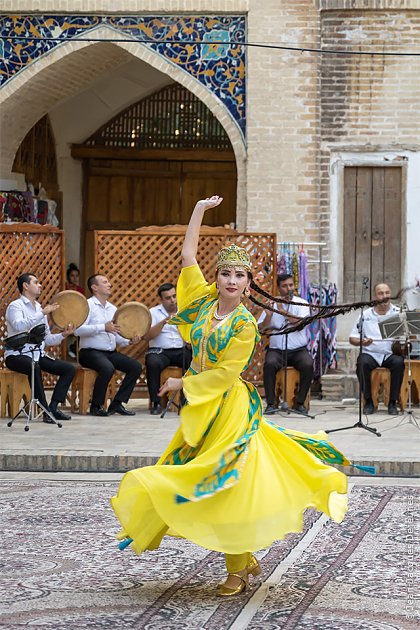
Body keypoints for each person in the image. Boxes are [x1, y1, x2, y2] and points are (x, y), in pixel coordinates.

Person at [111, 196, 350, 597]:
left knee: (230, 485)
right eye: (226, 274)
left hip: (228, 407)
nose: (232, 281)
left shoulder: (244, 325)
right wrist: (200, 211)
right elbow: (187, 254)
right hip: (201, 409)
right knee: (195, 478)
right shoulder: (203, 303)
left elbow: (226, 374)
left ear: (248, 283)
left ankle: (238, 568)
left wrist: (182, 383)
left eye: (240, 274)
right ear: (217, 278)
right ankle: (244, 559)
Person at [5, 273, 76, 422]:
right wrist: (42, 313)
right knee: (34, 366)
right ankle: (45, 411)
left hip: (37, 354)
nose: (40, 285)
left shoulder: (39, 308)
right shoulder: (15, 306)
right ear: (25, 286)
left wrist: (64, 334)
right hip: (16, 355)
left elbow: (47, 339)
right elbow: (19, 326)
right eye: (36, 282)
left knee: (69, 369)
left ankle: (53, 407)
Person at [75, 274, 142, 417]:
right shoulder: (87, 306)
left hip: (110, 352)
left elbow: (116, 335)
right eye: (105, 282)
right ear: (94, 287)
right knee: (107, 368)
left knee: (135, 367)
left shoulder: (113, 309)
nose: (109, 284)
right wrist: (102, 327)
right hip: (89, 352)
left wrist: (129, 341)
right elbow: (77, 330)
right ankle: (96, 406)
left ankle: (117, 403)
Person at [258, 274, 314, 415]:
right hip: (277, 350)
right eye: (284, 286)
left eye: (290, 285)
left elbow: (301, 323)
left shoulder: (301, 303)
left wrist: (283, 311)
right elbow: (261, 329)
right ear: (278, 288)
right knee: (269, 364)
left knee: (308, 364)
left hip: (298, 350)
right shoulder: (272, 303)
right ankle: (271, 404)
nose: (288, 289)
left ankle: (299, 403)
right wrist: (269, 317)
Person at [349, 282, 405, 415]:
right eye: (381, 293)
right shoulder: (365, 314)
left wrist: (401, 342)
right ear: (375, 297)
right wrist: (362, 342)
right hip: (371, 353)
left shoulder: (398, 313)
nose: (384, 296)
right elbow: (352, 338)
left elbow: (407, 338)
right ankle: (368, 401)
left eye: (387, 293)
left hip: (390, 354)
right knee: (362, 363)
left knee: (398, 362)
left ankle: (392, 402)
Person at [143, 283, 192, 415]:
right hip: (160, 351)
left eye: (174, 296)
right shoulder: (153, 312)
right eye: (168, 298)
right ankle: (156, 402)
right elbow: (147, 336)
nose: (172, 300)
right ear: (161, 299)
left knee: (194, 360)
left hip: (180, 350)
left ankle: (189, 400)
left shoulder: (184, 311)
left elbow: (191, 335)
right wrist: (164, 321)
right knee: (152, 363)